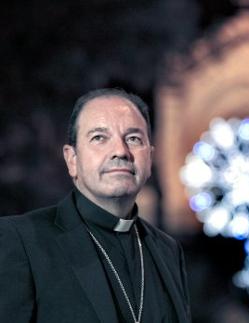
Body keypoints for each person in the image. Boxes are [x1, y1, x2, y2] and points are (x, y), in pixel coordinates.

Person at [0, 88, 191, 322]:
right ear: (72, 159)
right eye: (99, 137)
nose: (121, 151)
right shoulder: (20, 241)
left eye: (133, 139)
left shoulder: (168, 250)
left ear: (150, 159)